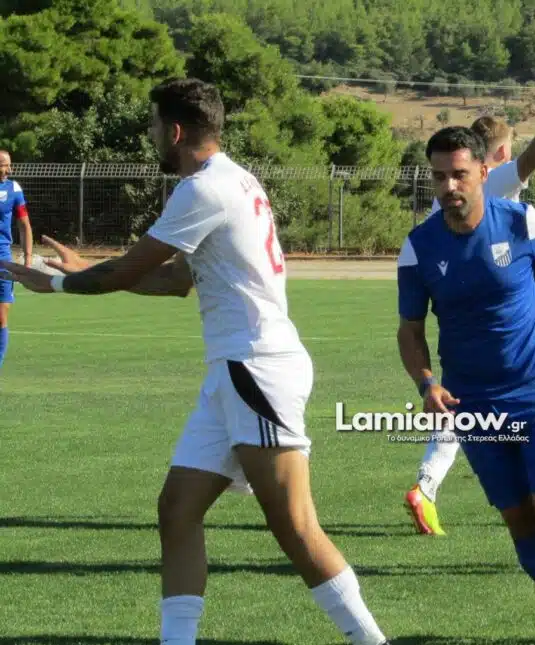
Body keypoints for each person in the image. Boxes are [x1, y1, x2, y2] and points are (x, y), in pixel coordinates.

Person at [2, 78, 389, 645]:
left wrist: (59, 283)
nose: (151, 135)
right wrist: (84, 270)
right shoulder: (234, 179)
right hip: (234, 370)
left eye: (154, 125)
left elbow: (129, 270)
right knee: (178, 508)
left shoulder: (202, 189)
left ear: (176, 131)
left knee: (294, 526)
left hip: (254, 368)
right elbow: (175, 280)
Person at [397, 125, 535, 645]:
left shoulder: (523, 221)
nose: (449, 186)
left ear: (483, 172)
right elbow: (410, 329)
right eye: (439, 177)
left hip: (534, 388)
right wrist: (426, 383)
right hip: (472, 402)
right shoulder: (418, 247)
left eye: (459, 174)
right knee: (519, 517)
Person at [407, 90, 535, 536]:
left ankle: (427, 484)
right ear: (499, 154)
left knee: (461, 410)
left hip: (464, 339)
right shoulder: (493, 185)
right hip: (518, 344)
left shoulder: (444, 200)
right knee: (533, 406)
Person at [0, 150, 33, 369]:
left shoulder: (13, 189)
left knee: (1, 317)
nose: (9, 170)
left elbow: (24, 225)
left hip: (2, 259)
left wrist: (27, 260)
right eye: (4, 165)